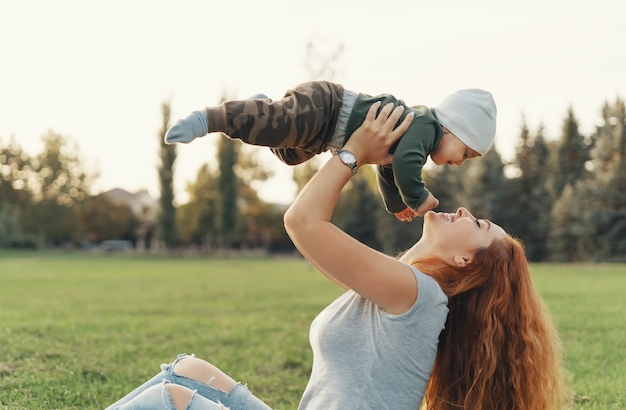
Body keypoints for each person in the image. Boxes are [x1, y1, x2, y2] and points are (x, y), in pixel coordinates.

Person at [107, 103, 564, 410]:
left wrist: (354, 154)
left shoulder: (417, 294)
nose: (466, 211)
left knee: (173, 398)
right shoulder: (402, 283)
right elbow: (314, 230)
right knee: (189, 372)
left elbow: (303, 222)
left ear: (466, 262)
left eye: (479, 225)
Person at [164, 81, 497, 221]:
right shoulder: (426, 126)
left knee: (289, 152)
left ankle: (260, 107)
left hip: (325, 136)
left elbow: (388, 168)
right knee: (281, 125)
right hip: (328, 107)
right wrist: (418, 199)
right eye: (465, 153)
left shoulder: (415, 136)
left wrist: (395, 203)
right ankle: (210, 119)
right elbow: (407, 165)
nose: (458, 163)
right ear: (452, 127)